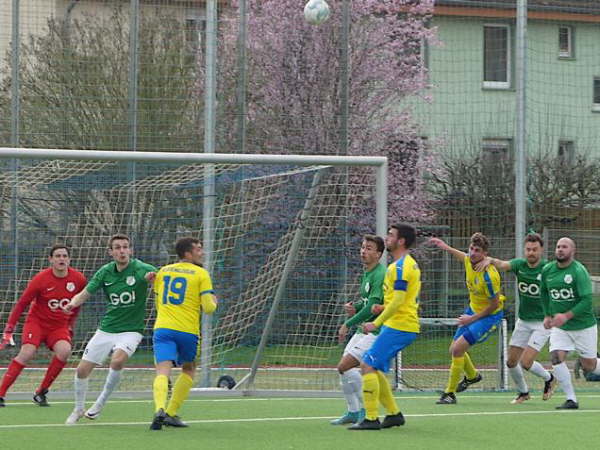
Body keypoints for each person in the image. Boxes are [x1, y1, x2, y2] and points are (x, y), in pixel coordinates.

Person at [64, 234, 156, 424]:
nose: (122, 251)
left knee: (117, 361)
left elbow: (163, 280)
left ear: (130, 250)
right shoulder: (105, 272)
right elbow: (85, 293)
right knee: (82, 370)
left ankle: (99, 404)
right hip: (107, 328)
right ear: (111, 252)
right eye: (117, 247)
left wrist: (153, 280)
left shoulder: (141, 269)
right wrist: (72, 304)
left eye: (125, 247)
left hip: (131, 330)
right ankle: (78, 408)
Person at [348, 224, 421, 431]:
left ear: (401, 241)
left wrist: (375, 322)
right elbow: (398, 300)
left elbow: (398, 302)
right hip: (397, 324)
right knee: (372, 367)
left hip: (400, 325)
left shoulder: (401, 267)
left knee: (367, 366)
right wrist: (382, 307)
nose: (386, 238)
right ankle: (393, 414)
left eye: (391, 235)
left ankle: (371, 418)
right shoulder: (401, 264)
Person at [0, 245, 86, 407]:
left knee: (64, 351)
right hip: (37, 323)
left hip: (58, 326)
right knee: (27, 352)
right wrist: (9, 327)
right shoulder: (41, 279)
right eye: (58, 256)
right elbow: (22, 304)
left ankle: (41, 392)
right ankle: (1, 393)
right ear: (51, 260)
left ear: (69, 259)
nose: (61, 259)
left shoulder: (79, 279)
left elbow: (78, 303)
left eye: (64, 256)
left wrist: (70, 324)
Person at [475, 233, 556, 404]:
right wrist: (489, 260)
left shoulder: (548, 268)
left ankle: (549, 379)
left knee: (526, 362)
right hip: (524, 320)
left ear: (541, 250)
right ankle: (523, 392)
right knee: (511, 362)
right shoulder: (519, 265)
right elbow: (502, 264)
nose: (531, 253)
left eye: (534, 249)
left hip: (542, 323)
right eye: (528, 249)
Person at [149, 237, 217, 430]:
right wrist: (214, 299)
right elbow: (209, 308)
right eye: (198, 249)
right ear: (188, 253)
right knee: (189, 369)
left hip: (162, 328)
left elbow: (157, 300)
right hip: (187, 331)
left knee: (162, 370)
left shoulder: (163, 271)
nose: (201, 252)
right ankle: (170, 413)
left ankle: (159, 408)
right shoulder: (201, 274)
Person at [429, 232, 505, 405]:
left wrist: (471, 319)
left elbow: (493, 305)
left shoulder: (490, 276)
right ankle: (472, 376)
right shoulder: (469, 261)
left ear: (485, 254)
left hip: (489, 316)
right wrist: (445, 247)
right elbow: (461, 255)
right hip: (473, 310)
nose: (472, 253)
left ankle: (450, 393)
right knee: (454, 350)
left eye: (477, 250)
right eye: (471, 248)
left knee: (457, 350)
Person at [330, 235, 386, 425]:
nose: (364, 251)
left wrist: (348, 323)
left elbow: (373, 305)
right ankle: (353, 411)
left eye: (369, 248)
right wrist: (354, 306)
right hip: (363, 331)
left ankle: (367, 409)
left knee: (345, 367)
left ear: (378, 254)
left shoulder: (380, 274)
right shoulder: (368, 272)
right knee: (343, 370)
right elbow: (365, 301)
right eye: (363, 247)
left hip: (375, 332)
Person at [540, 237, 600, 409]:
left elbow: (587, 301)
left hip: (584, 326)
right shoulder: (547, 270)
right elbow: (544, 293)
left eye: (564, 247)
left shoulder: (579, 271)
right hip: (561, 328)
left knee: (590, 365)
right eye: (558, 246)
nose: (560, 249)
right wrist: (547, 315)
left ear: (573, 251)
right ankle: (571, 399)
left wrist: (566, 315)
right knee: (555, 357)